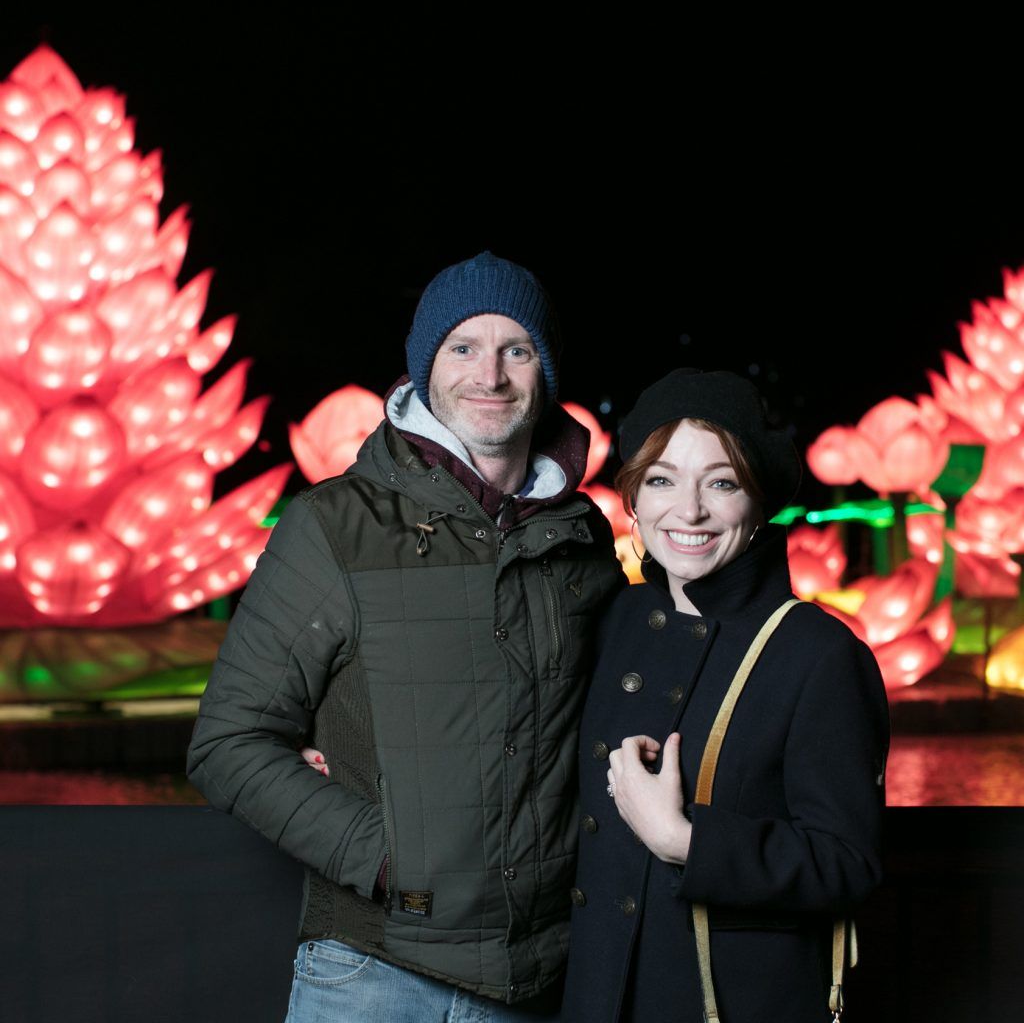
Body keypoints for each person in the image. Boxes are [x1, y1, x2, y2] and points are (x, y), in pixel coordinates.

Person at [186, 252, 624, 1022]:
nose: (488, 375)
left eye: (515, 350)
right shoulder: (334, 527)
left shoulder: (580, 536)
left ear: (543, 370)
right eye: (462, 348)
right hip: (374, 972)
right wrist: (386, 858)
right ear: (425, 366)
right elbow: (228, 742)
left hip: (541, 976)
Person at [560, 368, 890, 1023]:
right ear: (633, 497)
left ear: (758, 500)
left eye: (721, 482)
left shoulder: (819, 654)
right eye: (661, 480)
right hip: (592, 996)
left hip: (725, 1004)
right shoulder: (610, 623)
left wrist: (685, 839)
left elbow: (849, 864)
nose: (689, 511)